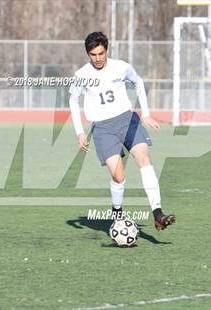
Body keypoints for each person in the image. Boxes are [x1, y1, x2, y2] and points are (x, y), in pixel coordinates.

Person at [68, 32, 176, 230]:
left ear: (107, 50)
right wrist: (79, 132)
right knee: (119, 176)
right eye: (93, 55)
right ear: (88, 54)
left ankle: (158, 213)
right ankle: (117, 212)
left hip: (128, 120)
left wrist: (145, 114)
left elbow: (138, 82)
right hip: (103, 128)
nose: (98, 58)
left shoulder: (121, 67)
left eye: (101, 53)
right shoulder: (81, 75)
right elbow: (73, 100)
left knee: (144, 159)